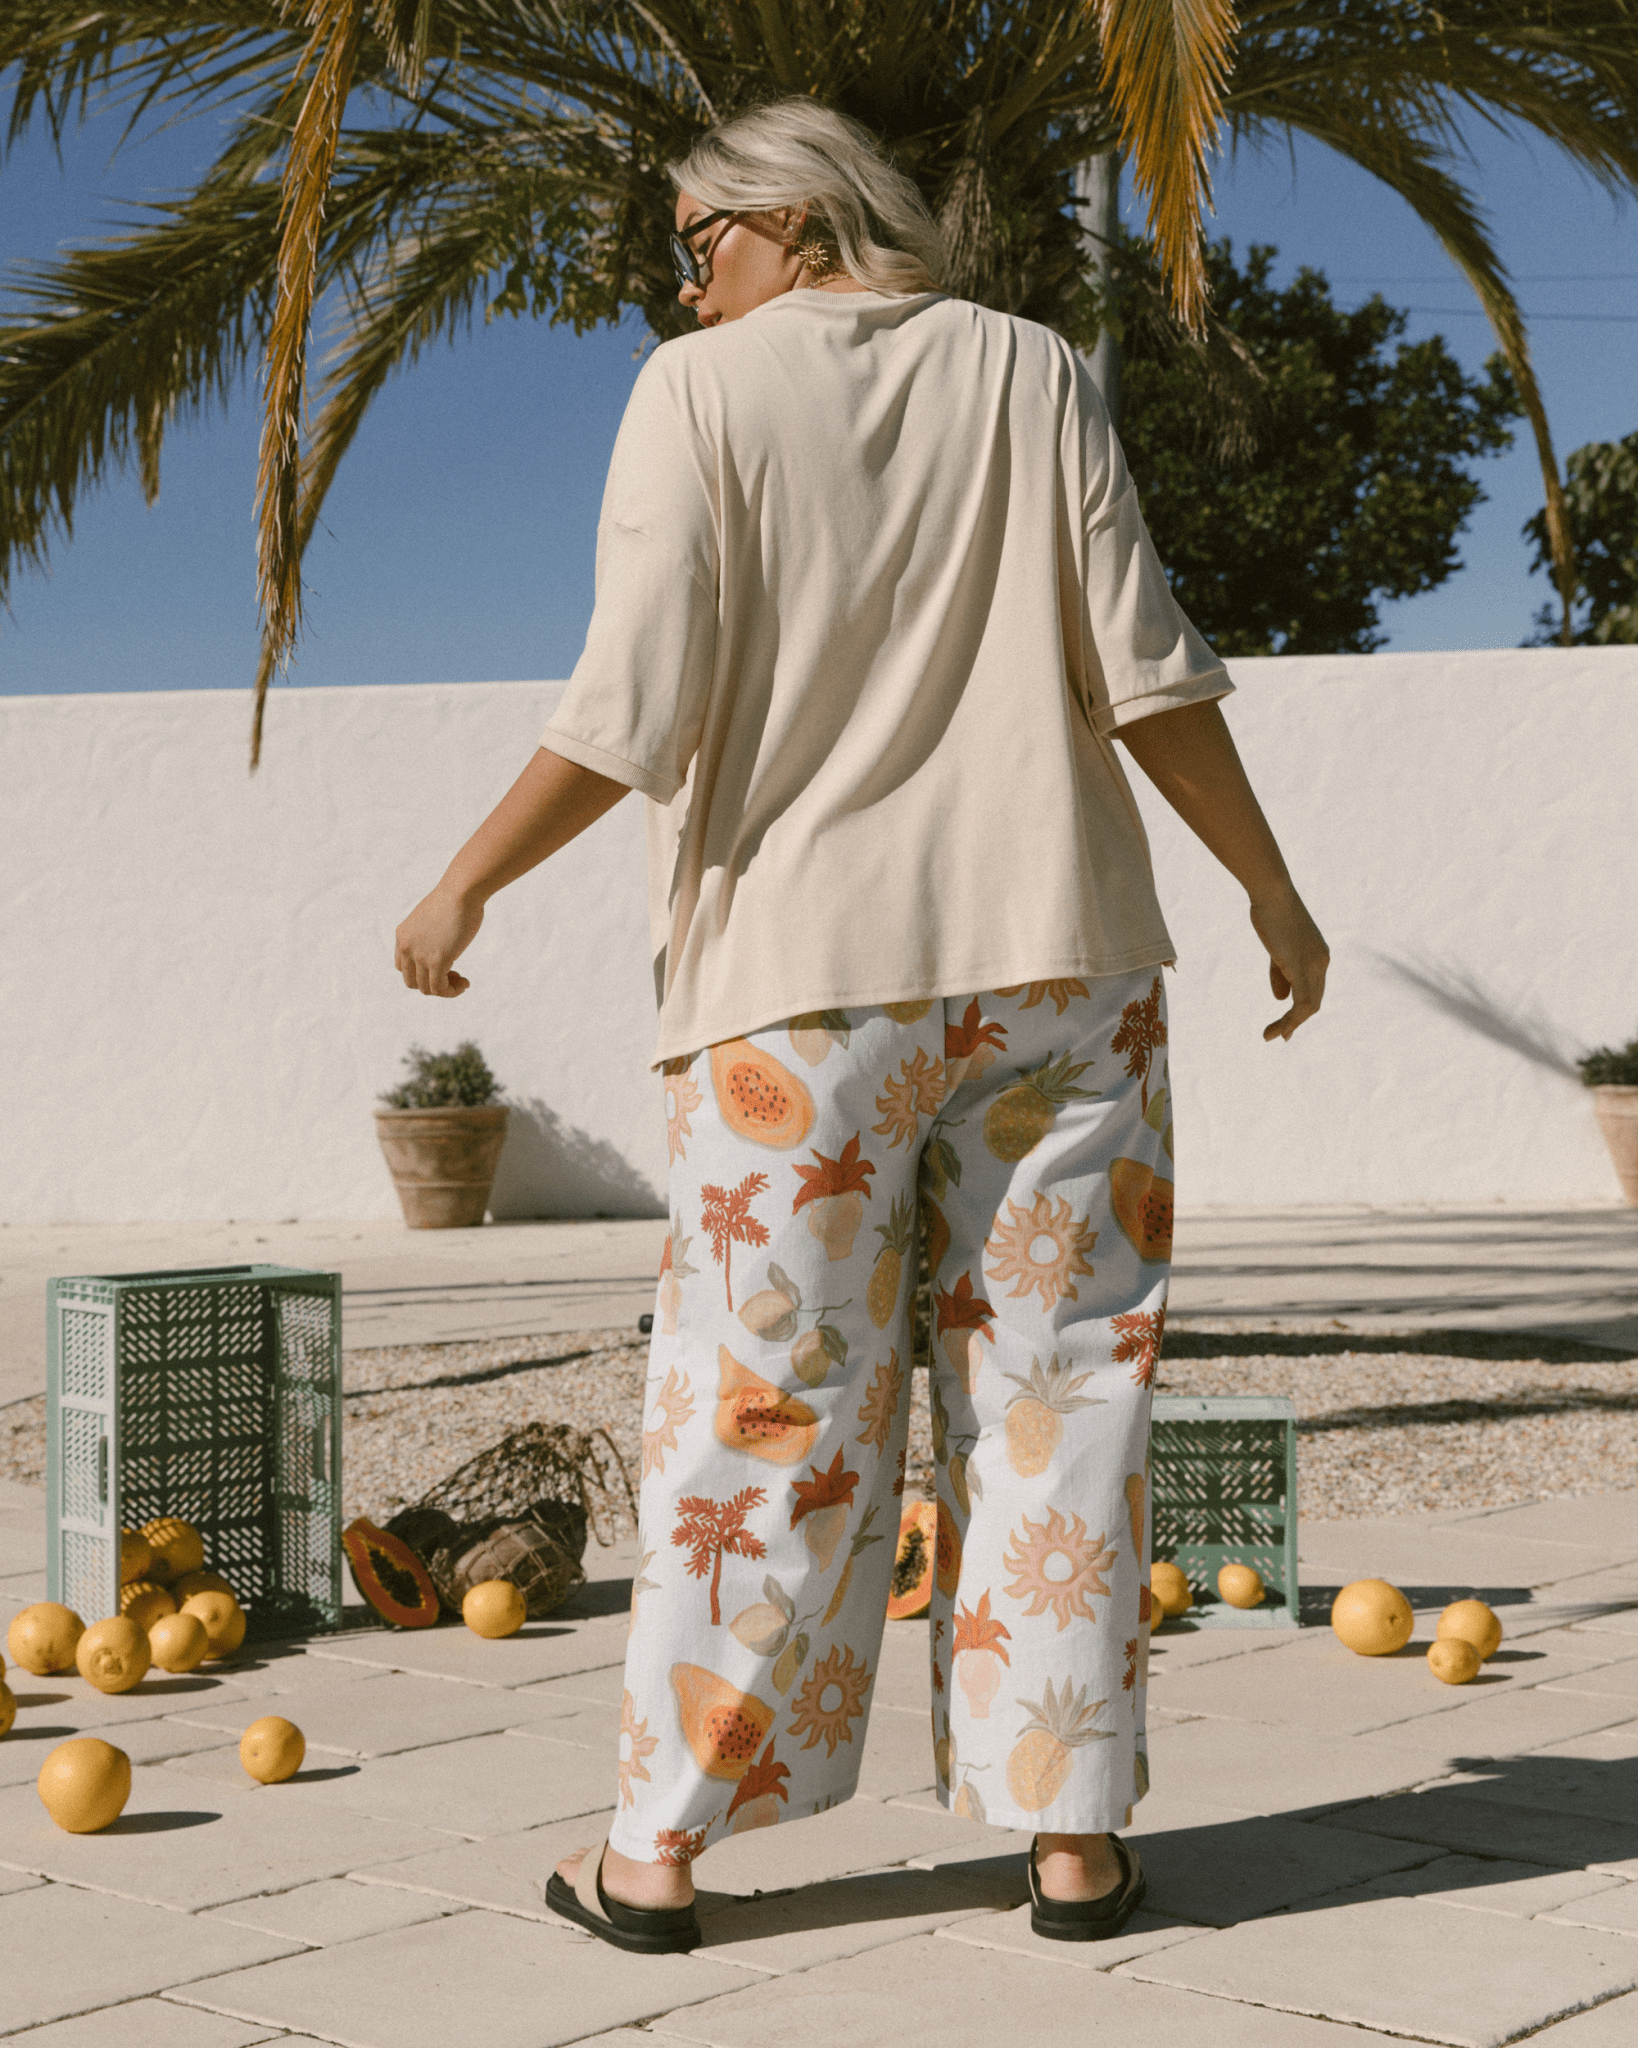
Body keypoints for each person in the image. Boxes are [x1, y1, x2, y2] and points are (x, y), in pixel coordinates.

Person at [393, 98, 1327, 1954]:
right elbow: (1138, 663)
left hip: (796, 999)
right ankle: (1068, 1841)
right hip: (1064, 966)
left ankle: (655, 1856)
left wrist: (463, 880)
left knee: (764, 1413)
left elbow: (627, 703)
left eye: (697, 240)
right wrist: (1267, 888)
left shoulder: (700, 394)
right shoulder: (1034, 369)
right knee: (1061, 1397)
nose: (685, 279)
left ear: (795, 221)